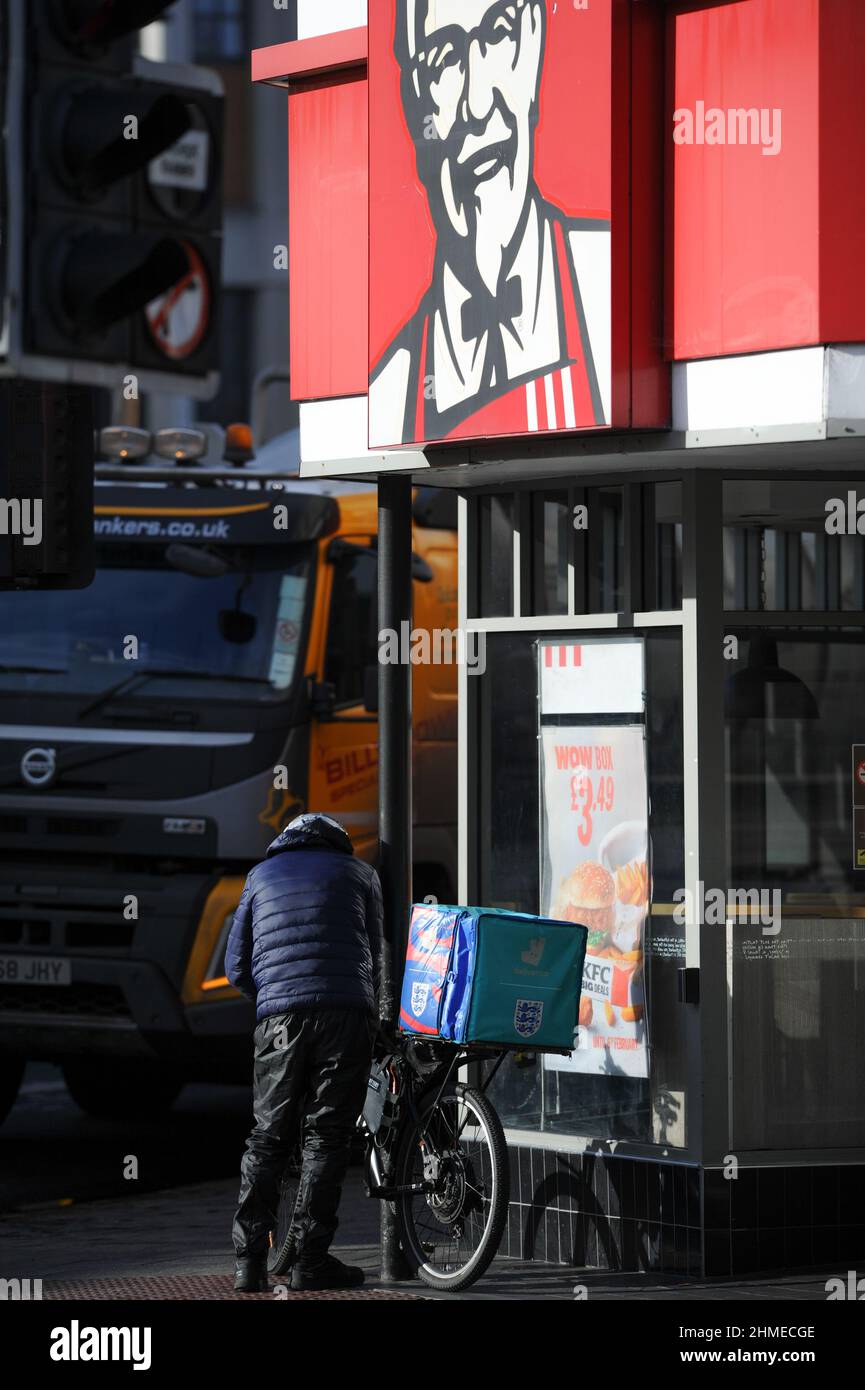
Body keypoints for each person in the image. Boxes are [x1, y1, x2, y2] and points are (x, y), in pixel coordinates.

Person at [369, 0, 611, 447]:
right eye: (446, 57)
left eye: (498, 33)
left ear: (533, 47)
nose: (476, 104)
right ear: (415, 101)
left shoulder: (606, 299)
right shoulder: (392, 389)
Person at [226, 812, 383, 1293]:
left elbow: (235, 966)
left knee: (267, 1136)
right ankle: (310, 1261)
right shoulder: (361, 873)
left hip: (279, 1020)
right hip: (345, 1013)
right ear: (338, 843)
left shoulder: (259, 876)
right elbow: (374, 956)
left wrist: (275, 997)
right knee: (328, 1137)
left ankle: (248, 1265)